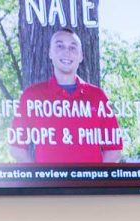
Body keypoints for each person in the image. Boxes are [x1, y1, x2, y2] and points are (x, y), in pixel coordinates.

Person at [9, 27, 123, 164]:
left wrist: (94, 181)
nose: (66, 52)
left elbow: (114, 150)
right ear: (50, 53)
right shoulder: (32, 96)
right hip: (48, 185)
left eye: (73, 47)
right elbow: (16, 148)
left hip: (90, 185)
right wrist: (39, 179)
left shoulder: (97, 97)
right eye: (60, 46)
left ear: (81, 56)